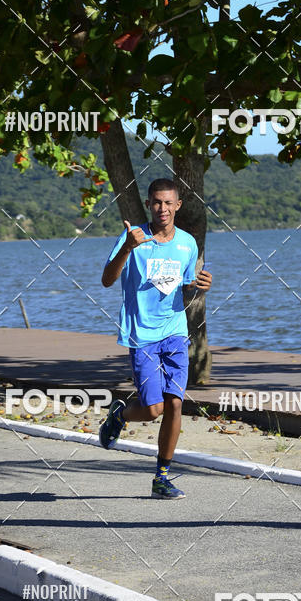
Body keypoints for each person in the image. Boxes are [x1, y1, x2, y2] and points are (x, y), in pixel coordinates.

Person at [99, 178, 212, 499]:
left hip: (175, 332)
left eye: (168, 203)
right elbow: (108, 280)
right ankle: (119, 414)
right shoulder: (132, 237)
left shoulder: (188, 244)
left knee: (175, 403)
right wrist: (127, 248)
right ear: (149, 205)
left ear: (178, 206)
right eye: (156, 203)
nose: (162, 208)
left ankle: (161, 477)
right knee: (152, 410)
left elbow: (186, 287)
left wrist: (200, 286)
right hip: (142, 335)